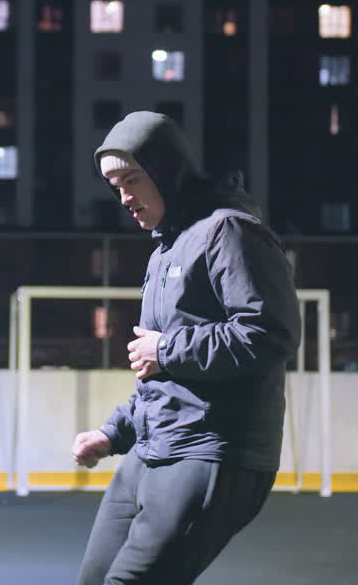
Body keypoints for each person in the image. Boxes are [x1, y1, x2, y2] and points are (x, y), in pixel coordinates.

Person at [71, 111, 301, 585]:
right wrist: (113, 434)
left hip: (213, 451)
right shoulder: (164, 253)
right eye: (115, 186)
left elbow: (271, 333)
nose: (125, 198)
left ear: (166, 170)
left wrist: (168, 349)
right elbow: (160, 372)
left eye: (132, 180)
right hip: (156, 446)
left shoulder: (229, 232)